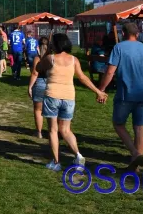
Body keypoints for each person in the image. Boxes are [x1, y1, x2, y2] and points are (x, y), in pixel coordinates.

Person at [36, 33, 108, 171]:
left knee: (53, 130)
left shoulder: (51, 58)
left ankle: (56, 162)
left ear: (55, 45)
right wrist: (98, 91)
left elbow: (39, 68)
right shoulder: (74, 60)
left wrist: (46, 53)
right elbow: (82, 77)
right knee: (66, 130)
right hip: (69, 97)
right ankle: (78, 155)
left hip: (52, 95)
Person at [98, 22, 143, 172]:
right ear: (137, 34)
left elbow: (110, 72)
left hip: (126, 94)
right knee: (139, 128)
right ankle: (135, 165)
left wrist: (101, 89)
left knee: (118, 124)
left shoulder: (118, 48)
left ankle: (135, 153)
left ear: (123, 33)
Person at [27, 37, 50, 138]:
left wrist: (30, 86)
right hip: (50, 83)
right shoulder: (52, 57)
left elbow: (35, 73)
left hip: (40, 83)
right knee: (51, 110)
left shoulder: (38, 58)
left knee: (38, 110)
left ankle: (39, 132)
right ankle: (52, 131)